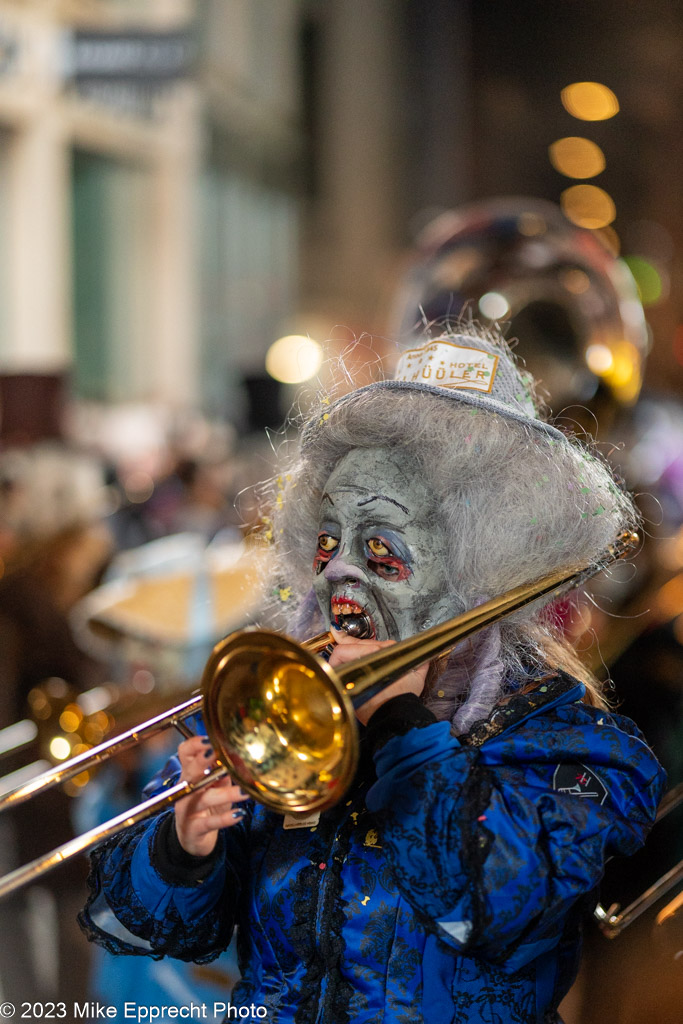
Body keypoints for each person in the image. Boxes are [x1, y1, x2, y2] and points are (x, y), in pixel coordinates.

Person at [79, 326, 666, 1024]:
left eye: (382, 551)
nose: (339, 572)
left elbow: (489, 908)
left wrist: (398, 726)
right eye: (327, 543)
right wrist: (180, 846)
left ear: (479, 570)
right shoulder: (276, 703)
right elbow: (135, 922)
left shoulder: (577, 748)